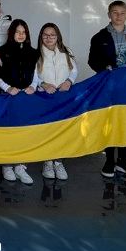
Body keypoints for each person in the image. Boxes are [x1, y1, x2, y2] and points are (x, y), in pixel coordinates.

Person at [88, 0, 126, 180]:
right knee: (110, 122)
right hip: (110, 86)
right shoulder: (99, 37)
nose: (118, 16)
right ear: (109, 15)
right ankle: (109, 161)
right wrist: (104, 67)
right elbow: (92, 61)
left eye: (122, 13)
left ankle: (123, 161)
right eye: (115, 12)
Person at [32, 23, 79, 180]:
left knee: (61, 130)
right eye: (45, 35)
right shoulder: (36, 54)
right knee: (48, 130)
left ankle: (58, 162)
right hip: (45, 98)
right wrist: (43, 84)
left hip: (63, 98)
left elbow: (74, 70)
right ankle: (47, 162)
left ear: (57, 36)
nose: (49, 38)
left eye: (52, 35)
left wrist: (69, 81)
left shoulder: (66, 52)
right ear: (41, 37)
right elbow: (33, 76)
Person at [0, 19, 36, 185]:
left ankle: (20, 165)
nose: (20, 35)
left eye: (23, 32)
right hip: (7, 97)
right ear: (11, 33)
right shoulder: (0, 51)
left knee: (23, 132)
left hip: (25, 98)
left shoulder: (34, 52)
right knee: (8, 131)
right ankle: (7, 165)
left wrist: (33, 86)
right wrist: (7, 88)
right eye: (17, 32)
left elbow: (37, 73)